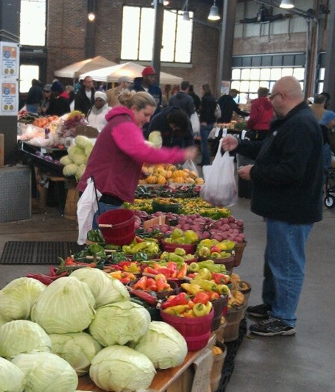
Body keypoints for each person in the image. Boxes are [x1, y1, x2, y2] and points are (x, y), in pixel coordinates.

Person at [221, 75, 324, 337]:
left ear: (282, 97)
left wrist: (255, 173)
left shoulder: (300, 124)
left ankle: (284, 318)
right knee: (275, 260)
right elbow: (269, 149)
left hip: (293, 210)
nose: (269, 103)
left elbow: (291, 170)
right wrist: (240, 145)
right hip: (281, 208)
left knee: (287, 263)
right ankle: (272, 305)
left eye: (271, 98)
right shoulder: (290, 122)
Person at [77, 91, 196, 228]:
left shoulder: (122, 122)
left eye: (150, 115)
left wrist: (136, 171)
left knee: (98, 241)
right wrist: (180, 154)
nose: (148, 120)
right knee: (100, 242)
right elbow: (144, 152)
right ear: (134, 109)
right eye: (146, 114)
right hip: (104, 192)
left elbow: (120, 156)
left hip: (102, 189)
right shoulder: (125, 125)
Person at [199, 83, 218, 166]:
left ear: (204, 90)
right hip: (212, 122)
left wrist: (203, 120)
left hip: (205, 123)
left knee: (204, 144)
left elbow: (205, 111)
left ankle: (205, 161)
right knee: (206, 143)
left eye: (201, 89)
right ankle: (205, 160)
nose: (201, 91)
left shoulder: (205, 99)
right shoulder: (213, 98)